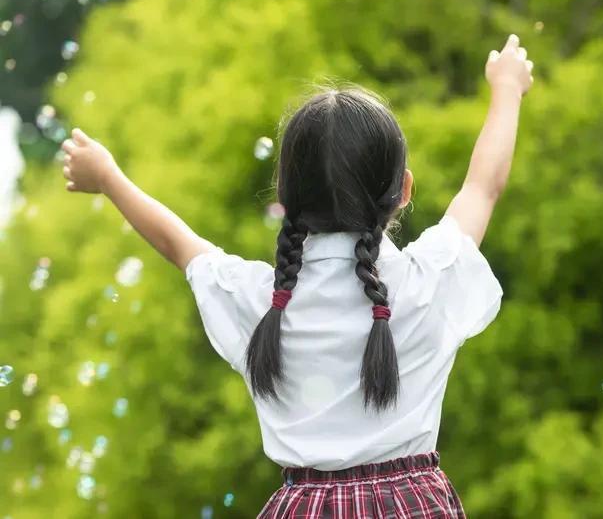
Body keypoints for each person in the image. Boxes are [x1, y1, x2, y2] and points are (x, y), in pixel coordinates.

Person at [60, 33, 533, 518]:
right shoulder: (428, 279)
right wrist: (506, 90)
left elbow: (179, 244)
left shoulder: (264, 300)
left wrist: (108, 178)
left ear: (286, 196)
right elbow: (482, 187)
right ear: (404, 190)